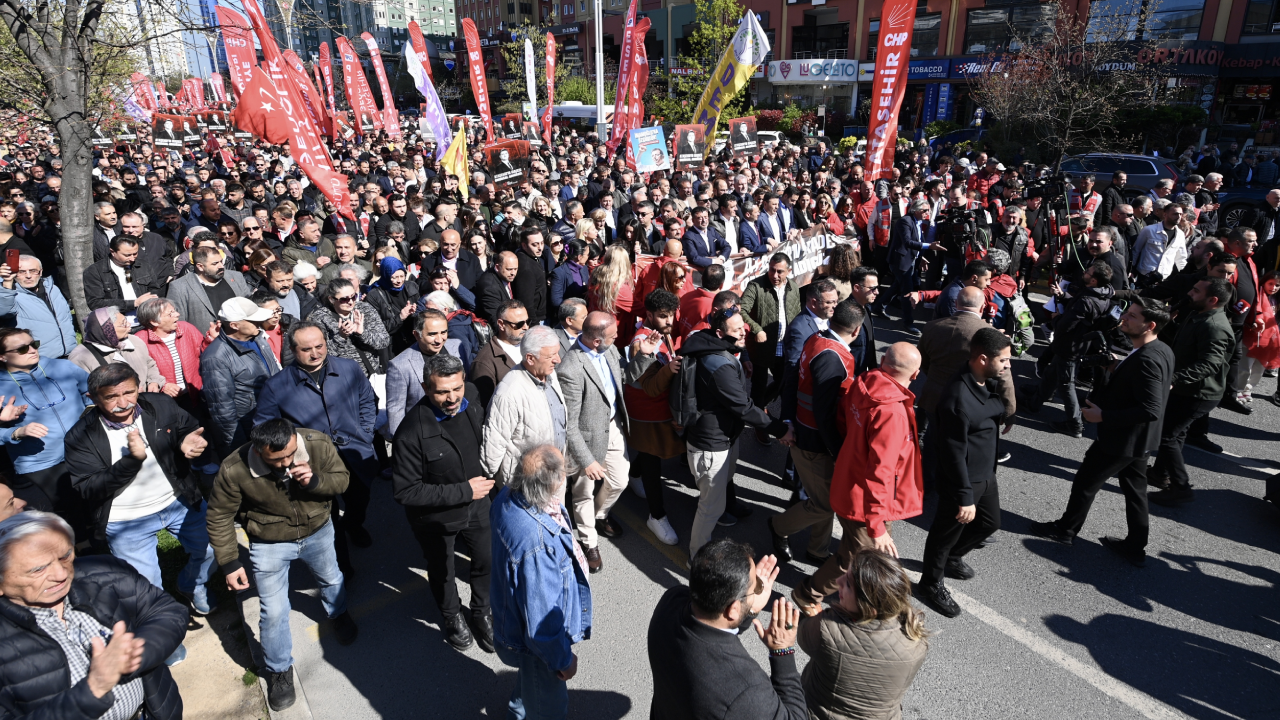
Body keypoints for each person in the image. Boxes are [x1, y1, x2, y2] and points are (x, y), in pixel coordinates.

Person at [63, 364, 213, 664]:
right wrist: (130, 462)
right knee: (146, 587)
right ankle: (164, 642)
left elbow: (187, 425)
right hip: (125, 521)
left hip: (178, 502)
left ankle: (191, 584)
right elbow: (87, 489)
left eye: (129, 391)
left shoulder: (158, 404)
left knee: (212, 550)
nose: (124, 402)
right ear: (93, 397)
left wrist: (186, 442)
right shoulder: (81, 437)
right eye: (111, 397)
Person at [206, 418, 358, 712]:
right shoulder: (233, 468)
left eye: (291, 454)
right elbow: (220, 515)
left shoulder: (315, 443)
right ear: (258, 450)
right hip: (269, 543)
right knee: (273, 612)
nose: (286, 463)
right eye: (277, 459)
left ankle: (338, 613)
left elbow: (342, 480)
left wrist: (315, 481)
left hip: (318, 531)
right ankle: (279, 671)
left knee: (331, 579)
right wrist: (229, 562)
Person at [0, 511, 189, 720]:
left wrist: (138, 654)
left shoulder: (104, 571)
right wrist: (93, 691)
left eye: (65, 556)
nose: (61, 574)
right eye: (38, 569)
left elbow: (166, 610)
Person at [1030, 298, 1175, 566]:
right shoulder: (1161, 349)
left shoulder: (1148, 359)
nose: (1124, 318)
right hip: (1140, 440)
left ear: (1150, 325)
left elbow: (1151, 408)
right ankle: (1134, 546)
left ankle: (1065, 531)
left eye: (1132, 316)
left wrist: (1102, 416)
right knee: (1135, 490)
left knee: (1086, 483)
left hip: (1122, 440)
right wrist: (1117, 368)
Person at [792, 342, 924, 615]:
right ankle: (808, 594)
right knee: (853, 557)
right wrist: (876, 524)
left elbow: (842, 420)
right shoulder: (892, 412)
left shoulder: (866, 382)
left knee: (859, 551)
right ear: (915, 374)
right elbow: (881, 472)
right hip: (863, 501)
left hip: (849, 481)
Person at [391, 353, 495, 653]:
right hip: (436, 518)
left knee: (485, 560)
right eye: (442, 391)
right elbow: (406, 492)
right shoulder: (411, 433)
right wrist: (464, 491)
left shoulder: (472, 396)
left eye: (456, 388)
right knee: (443, 570)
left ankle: (481, 611)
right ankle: (451, 616)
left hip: (478, 505)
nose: (452, 398)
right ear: (425, 388)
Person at [254, 322, 379, 559]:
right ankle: (341, 566)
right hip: (314, 464)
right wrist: (291, 457)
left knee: (359, 499)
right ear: (292, 349)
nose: (315, 353)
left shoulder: (349, 368)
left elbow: (367, 400)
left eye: (319, 346)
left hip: (354, 453)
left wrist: (365, 432)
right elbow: (264, 428)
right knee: (326, 514)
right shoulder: (276, 386)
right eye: (306, 349)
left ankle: (354, 525)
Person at [647, 539, 805, 720]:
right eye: (756, 588)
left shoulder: (671, 602)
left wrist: (749, 610)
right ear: (733, 609)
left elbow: (715, 629)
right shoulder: (745, 690)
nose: (758, 589)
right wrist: (782, 651)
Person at [681, 306, 793, 558]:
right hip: (711, 446)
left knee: (715, 495)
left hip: (724, 440)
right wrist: (780, 429)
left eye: (744, 328)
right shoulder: (718, 365)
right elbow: (744, 407)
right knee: (710, 507)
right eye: (737, 330)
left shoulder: (717, 349)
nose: (744, 334)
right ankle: (697, 557)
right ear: (720, 333)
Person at [490, 445, 592, 720]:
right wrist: (563, 660)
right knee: (549, 710)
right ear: (554, 483)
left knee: (530, 688)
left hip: (513, 621)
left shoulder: (506, 496)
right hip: (536, 647)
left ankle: (517, 711)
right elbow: (542, 623)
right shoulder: (537, 543)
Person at [917, 328, 1011, 619]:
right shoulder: (958, 399)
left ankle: (952, 558)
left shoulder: (987, 381)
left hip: (985, 472)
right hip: (963, 481)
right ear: (982, 359)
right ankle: (931, 582)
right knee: (944, 534)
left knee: (989, 523)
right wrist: (964, 496)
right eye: (1004, 360)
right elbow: (953, 452)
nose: (1008, 366)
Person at [771, 301, 864, 568]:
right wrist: (837, 449)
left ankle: (818, 549)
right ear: (856, 331)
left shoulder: (817, 339)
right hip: (814, 441)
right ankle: (778, 526)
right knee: (824, 503)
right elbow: (824, 412)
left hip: (808, 433)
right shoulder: (832, 359)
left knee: (826, 497)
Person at [796, 549, 929, 720]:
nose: (838, 581)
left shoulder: (827, 629)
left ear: (869, 608)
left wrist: (816, 617)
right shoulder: (916, 640)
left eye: (849, 584)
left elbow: (803, 635)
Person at [1148, 278, 1237, 507]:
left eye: (1195, 291)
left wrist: (1175, 379)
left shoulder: (1214, 326)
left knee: (1167, 435)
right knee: (1175, 434)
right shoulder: (1199, 315)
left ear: (1212, 300)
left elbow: (1210, 364)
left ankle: (1181, 487)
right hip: (1188, 389)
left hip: (1197, 393)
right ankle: (1160, 474)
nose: (1189, 292)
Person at [558, 311, 633, 573]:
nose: (617, 338)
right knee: (583, 494)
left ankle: (599, 515)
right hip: (585, 439)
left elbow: (624, 381)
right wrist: (586, 460)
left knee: (619, 480)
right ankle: (590, 543)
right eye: (613, 335)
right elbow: (569, 423)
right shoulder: (570, 369)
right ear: (596, 341)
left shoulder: (609, 350)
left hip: (612, 427)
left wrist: (644, 355)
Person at [480, 326, 567, 489]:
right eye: (551, 356)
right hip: (527, 484)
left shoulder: (550, 373)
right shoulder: (509, 392)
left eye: (557, 353)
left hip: (554, 475)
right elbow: (494, 445)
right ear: (530, 358)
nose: (558, 360)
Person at [200, 297, 282, 458]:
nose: (260, 322)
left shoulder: (258, 338)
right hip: (252, 428)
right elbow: (222, 409)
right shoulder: (215, 357)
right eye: (253, 320)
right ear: (234, 325)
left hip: (276, 418)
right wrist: (240, 449)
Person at [740, 253, 801, 419]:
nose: (775, 275)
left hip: (785, 347)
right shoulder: (756, 286)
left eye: (780, 271)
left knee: (784, 384)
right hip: (761, 349)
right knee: (759, 386)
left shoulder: (793, 288)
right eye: (772, 270)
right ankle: (759, 421)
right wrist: (757, 329)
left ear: (789, 271)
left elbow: (797, 314)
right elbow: (742, 310)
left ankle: (759, 408)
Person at [386, 309, 462, 435]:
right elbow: (396, 410)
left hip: (459, 426)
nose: (439, 340)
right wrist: (402, 443)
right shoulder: (399, 365)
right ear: (416, 334)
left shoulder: (457, 347)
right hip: (426, 433)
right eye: (432, 334)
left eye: (443, 332)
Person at [133, 297, 214, 410]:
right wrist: (162, 385)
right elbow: (140, 374)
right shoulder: (140, 340)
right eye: (170, 313)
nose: (177, 314)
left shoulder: (186, 328)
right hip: (165, 402)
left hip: (195, 394)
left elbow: (204, 353)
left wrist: (211, 340)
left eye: (175, 310)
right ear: (154, 321)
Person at [308, 279, 390, 381]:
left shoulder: (365, 309)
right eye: (344, 299)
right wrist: (341, 336)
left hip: (371, 374)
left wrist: (362, 333)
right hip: (342, 378)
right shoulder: (320, 317)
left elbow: (384, 341)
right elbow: (322, 355)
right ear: (331, 299)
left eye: (354, 296)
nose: (351, 302)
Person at [0, 254, 76, 359]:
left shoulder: (52, 289)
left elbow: (65, 317)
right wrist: (7, 283)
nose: (28, 275)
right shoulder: (10, 295)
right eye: (21, 272)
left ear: (40, 272)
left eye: (33, 271)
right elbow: (4, 311)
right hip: (37, 359)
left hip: (69, 354)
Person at [166, 245, 252, 333]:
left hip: (241, 337)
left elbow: (249, 306)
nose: (221, 266)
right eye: (215, 263)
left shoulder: (236, 277)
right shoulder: (179, 287)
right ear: (200, 266)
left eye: (221, 261)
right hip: (204, 342)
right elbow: (179, 322)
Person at [81, 235, 165, 314]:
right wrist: (133, 303)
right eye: (127, 255)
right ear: (113, 252)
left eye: (135, 253)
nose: (132, 258)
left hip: (144, 319)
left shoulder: (143, 266)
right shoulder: (95, 271)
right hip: (117, 323)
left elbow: (155, 290)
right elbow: (95, 303)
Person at [470, 298, 528, 406]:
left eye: (527, 321)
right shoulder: (484, 362)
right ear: (501, 324)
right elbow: (485, 405)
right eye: (519, 324)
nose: (526, 327)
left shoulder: (531, 346)